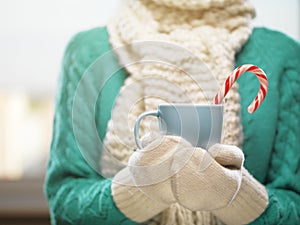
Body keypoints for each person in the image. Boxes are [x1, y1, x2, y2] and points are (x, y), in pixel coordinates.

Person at [45, 0, 300, 224]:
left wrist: (237, 196)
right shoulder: (86, 52)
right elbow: (65, 204)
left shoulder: (283, 55)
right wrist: (138, 190)